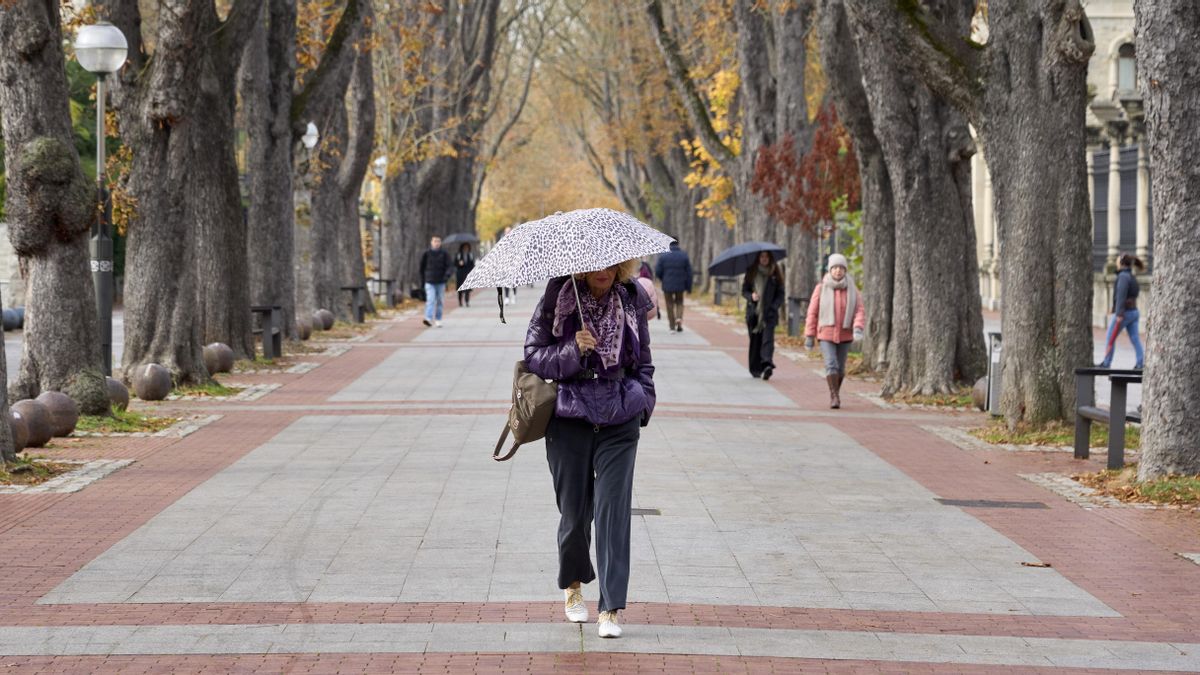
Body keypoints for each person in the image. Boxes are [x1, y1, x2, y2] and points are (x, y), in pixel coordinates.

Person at [524, 261, 656, 640]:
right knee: (575, 515)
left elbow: (643, 362)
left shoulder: (632, 298)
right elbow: (533, 355)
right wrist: (571, 350)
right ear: (581, 268)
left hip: (619, 419)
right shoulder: (557, 297)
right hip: (569, 419)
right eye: (597, 266)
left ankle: (610, 608)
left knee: (613, 512)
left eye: (614, 265)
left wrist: (642, 401)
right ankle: (574, 586)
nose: (606, 272)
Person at [805, 253, 865, 409]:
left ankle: (835, 391)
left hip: (845, 334)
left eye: (841, 268)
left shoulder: (853, 289)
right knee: (831, 364)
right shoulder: (821, 288)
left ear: (845, 270)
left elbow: (859, 310)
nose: (838, 271)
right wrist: (809, 335)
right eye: (835, 268)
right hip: (826, 333)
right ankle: (834, 396)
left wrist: (858, 327)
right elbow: (812, 312)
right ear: (830, 270)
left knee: (841, 368)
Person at [742, 251, 785, 380]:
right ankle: (755, 368)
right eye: (762, 256)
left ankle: (767, 364)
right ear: (758, 258)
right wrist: (751, 296)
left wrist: (774, 307)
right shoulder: (751, 272)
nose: (764, 259)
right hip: (754, 313)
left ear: (770, 258)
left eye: (767, 257)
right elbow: (744, 291)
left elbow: (780, 294)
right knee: (755, 341)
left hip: (769, 314)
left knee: (767, 339)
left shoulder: (775, 273)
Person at [1099, 253, 1145, 369]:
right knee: (1135, 338)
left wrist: (1119, 313)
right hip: (1134, 312)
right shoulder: (1131, 276)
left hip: (1124, 313)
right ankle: (1141, 362)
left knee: (1110, 337)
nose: (1116, 262)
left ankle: (1106, 362)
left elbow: (1121, 295)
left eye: (1117, 260)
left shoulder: (1123, 277)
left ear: (1121, 263)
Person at [654, 239, 692, 332]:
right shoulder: (684, 256)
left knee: (669, 304)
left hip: (667, 284)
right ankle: (679, 318)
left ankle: (672, 326)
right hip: (680, 284)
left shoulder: (663, 256)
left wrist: (662, 278)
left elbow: (658, 271)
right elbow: (689, 273)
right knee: (679, 302)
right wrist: (689, 286)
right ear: (678, 243)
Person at [419, 236, 452, 327]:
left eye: (438, 241)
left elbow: (449, 266)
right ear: (431, 242)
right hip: (429, 281)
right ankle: (428, 318)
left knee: (440, 301)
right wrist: (423, 280)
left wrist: (447, 276)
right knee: (431, 300)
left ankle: (438, 319)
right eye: (434, 241)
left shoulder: (444, 254)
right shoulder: (426, 253)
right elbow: (422, 267)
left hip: (441, 281)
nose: (436, 243)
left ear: (440, 243)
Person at [455, 242, 476, 307]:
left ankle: (467, 301)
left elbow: (472, 264)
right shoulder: (458, 255)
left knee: (467, 288)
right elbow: (454, 263)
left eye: (467, 247)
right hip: (460, 273)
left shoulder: (470, 254)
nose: (466, 248)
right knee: (460, 289)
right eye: (464, 247)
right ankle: (460, 301)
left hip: (468, 273)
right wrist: (459, 263)